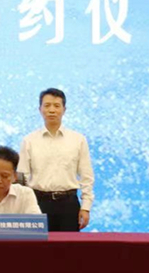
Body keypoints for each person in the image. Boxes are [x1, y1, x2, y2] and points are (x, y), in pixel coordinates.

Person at [18, 88, 95, 232]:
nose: (52, 110)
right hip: (38, 204)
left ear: (64, 110)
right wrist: (24, 207)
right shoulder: (29, 141)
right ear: (40, 109)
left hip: (69, 204)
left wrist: (86, 207)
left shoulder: (78, 140)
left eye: (57, 106)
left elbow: (87, 176)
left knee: (69, 245)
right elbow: (23, 177)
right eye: (47, 105)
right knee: (38, 245)